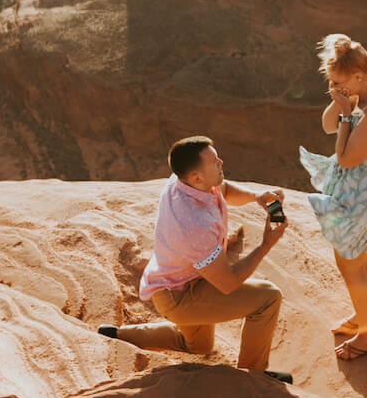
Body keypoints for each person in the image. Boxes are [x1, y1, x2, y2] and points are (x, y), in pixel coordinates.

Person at [98, 135, 294, 383]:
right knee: (268, 297)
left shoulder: (184, 181)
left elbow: (222, 189)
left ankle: (119, 336)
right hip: (180, 297)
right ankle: (252, 379)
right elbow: (228, 282)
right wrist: (267, 244)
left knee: (198, 345)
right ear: (196, 178)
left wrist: (256, 197)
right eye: (214, 161)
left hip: (178, 280)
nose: (221, 161)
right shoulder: (195, 225)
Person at [300, 33, 367, 361]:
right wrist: (340, 102)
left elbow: (345, 159)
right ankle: (366, 315)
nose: (334, 86)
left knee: (350, 262)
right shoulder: (363, 87)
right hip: (357, 188)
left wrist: (346, 114)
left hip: (364, 195)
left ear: (358, 76)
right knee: (361, 256)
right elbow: (328, 126)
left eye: (339, 82)